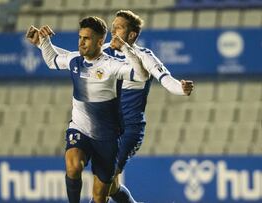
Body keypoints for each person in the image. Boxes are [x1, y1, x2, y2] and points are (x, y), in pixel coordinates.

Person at [27, 10, 194, 203]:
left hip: (129, 127)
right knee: (111, 186)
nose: (113, 30)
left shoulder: (144, 56)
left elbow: (166, 80)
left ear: (131, 35)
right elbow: (74, 59)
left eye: (119, 28)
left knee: (103, 191)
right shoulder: (103, 49)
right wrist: (42, 43)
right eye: (112, 26)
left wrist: (181, 89)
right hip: (105, 121)